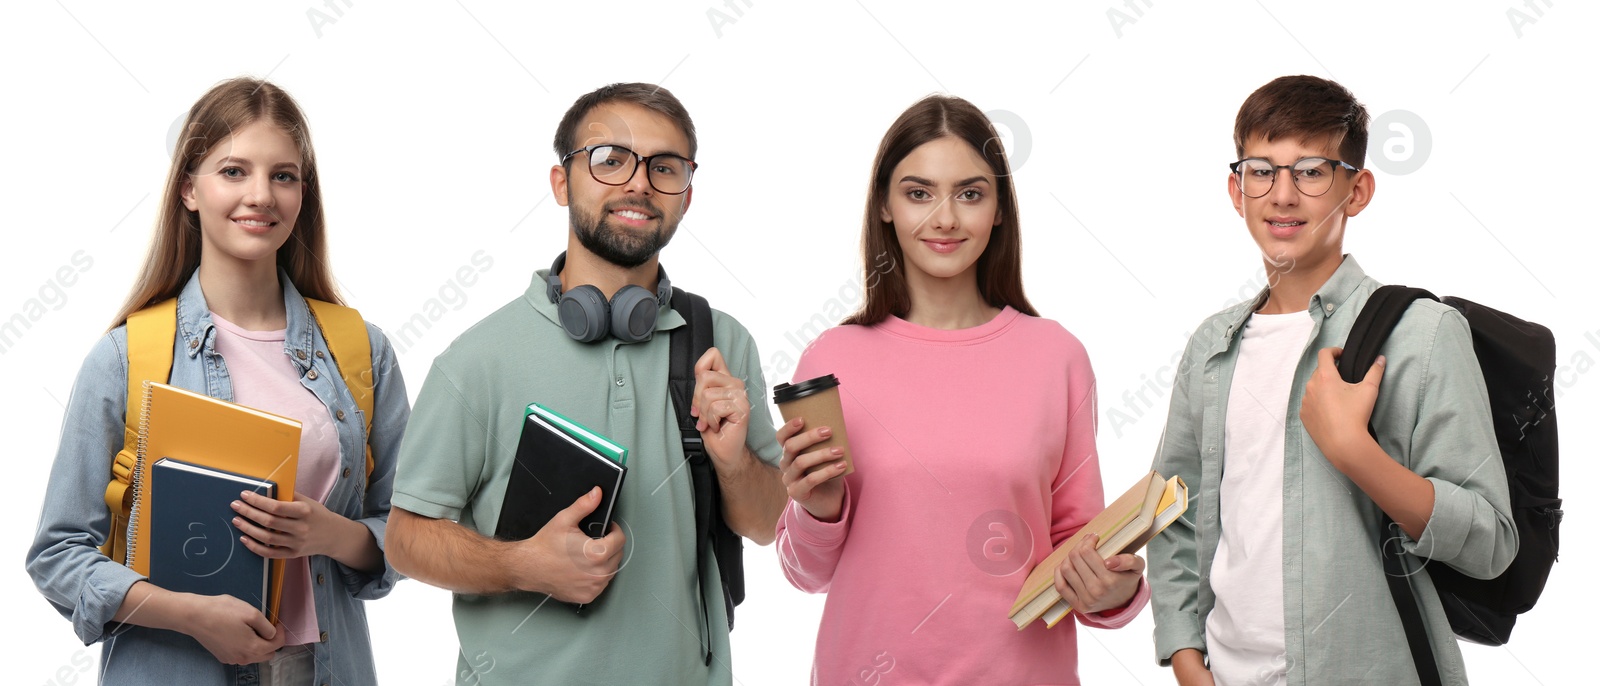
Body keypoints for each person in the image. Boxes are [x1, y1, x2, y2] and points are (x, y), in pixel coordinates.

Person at [384, 82, 787, 686]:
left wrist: (733, 463)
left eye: (664, 167)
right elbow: (406, 539)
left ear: (687, 196)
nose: (639, 183)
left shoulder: (721, 343)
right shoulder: (477, 359)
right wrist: (523, 565)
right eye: (611, 159)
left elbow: (769, 522)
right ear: (560, 182)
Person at [25, 77, 410, 685]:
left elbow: (409, 532)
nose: (261, 195)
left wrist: (333, 533)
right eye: (234, 171)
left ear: (302, 195)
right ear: (188, 189)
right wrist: (192, 615)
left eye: (283, 175)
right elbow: (57, 554)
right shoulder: (128, 357)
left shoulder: (363, 352)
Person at [1147, 75, 1518, 686]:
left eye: (1312, 171)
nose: (1282, 195)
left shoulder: (1422, 335)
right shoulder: (1211, 347)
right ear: (1236, 190)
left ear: (1358, 188)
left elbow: (1491, 543)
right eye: (1261, 170)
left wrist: (1354, 452)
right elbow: (1173, 520)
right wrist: (1188, 662)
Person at [773, 94, 1150, 684]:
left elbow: (1080, 546)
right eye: (918, 193)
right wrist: (817, 510)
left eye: (969, 193)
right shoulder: (831, 359)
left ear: (999, 209)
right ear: (885, 208)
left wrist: (1117, 588)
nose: (944, 218)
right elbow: (804, 574)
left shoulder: (1057, 357)